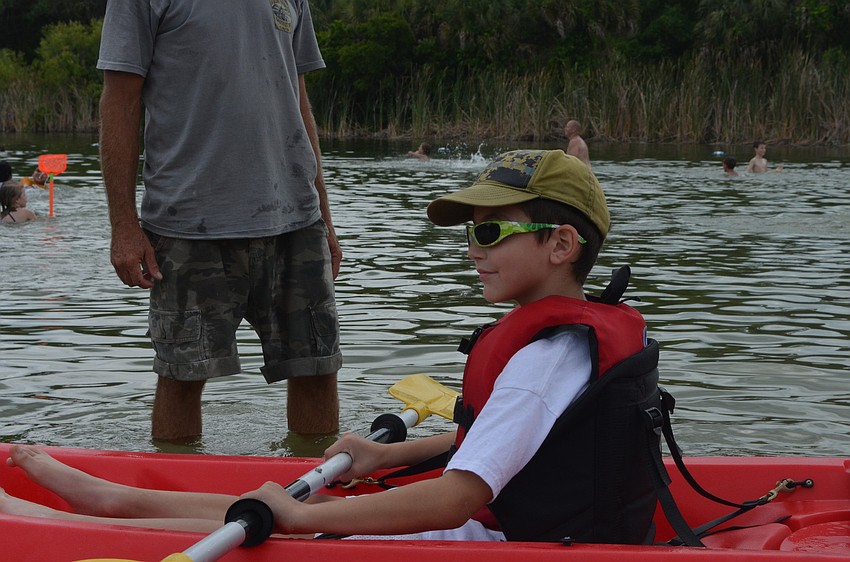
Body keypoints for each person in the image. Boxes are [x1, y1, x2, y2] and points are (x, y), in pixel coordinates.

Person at [1, 150, 661, 544]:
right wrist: (384, 454)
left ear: (560, 245)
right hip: (501, 521)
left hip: (483, 538)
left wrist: (288, 516)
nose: (472, 250)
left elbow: (459, 495)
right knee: (306, 504)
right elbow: (510, 440)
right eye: (470, 234)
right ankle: (110, 499)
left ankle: (86, 525)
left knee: (296, 516)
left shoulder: (545, 356)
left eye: (490, 234)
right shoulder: (565, 341)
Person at [96, 0, 341, 441]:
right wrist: (123, 226)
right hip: (188, 224)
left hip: (296, 222)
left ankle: (318, 499)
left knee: (317, 369)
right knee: (183, 376)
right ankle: (173, 496)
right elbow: (120, 99)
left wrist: (324, 216)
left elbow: (299, 101)